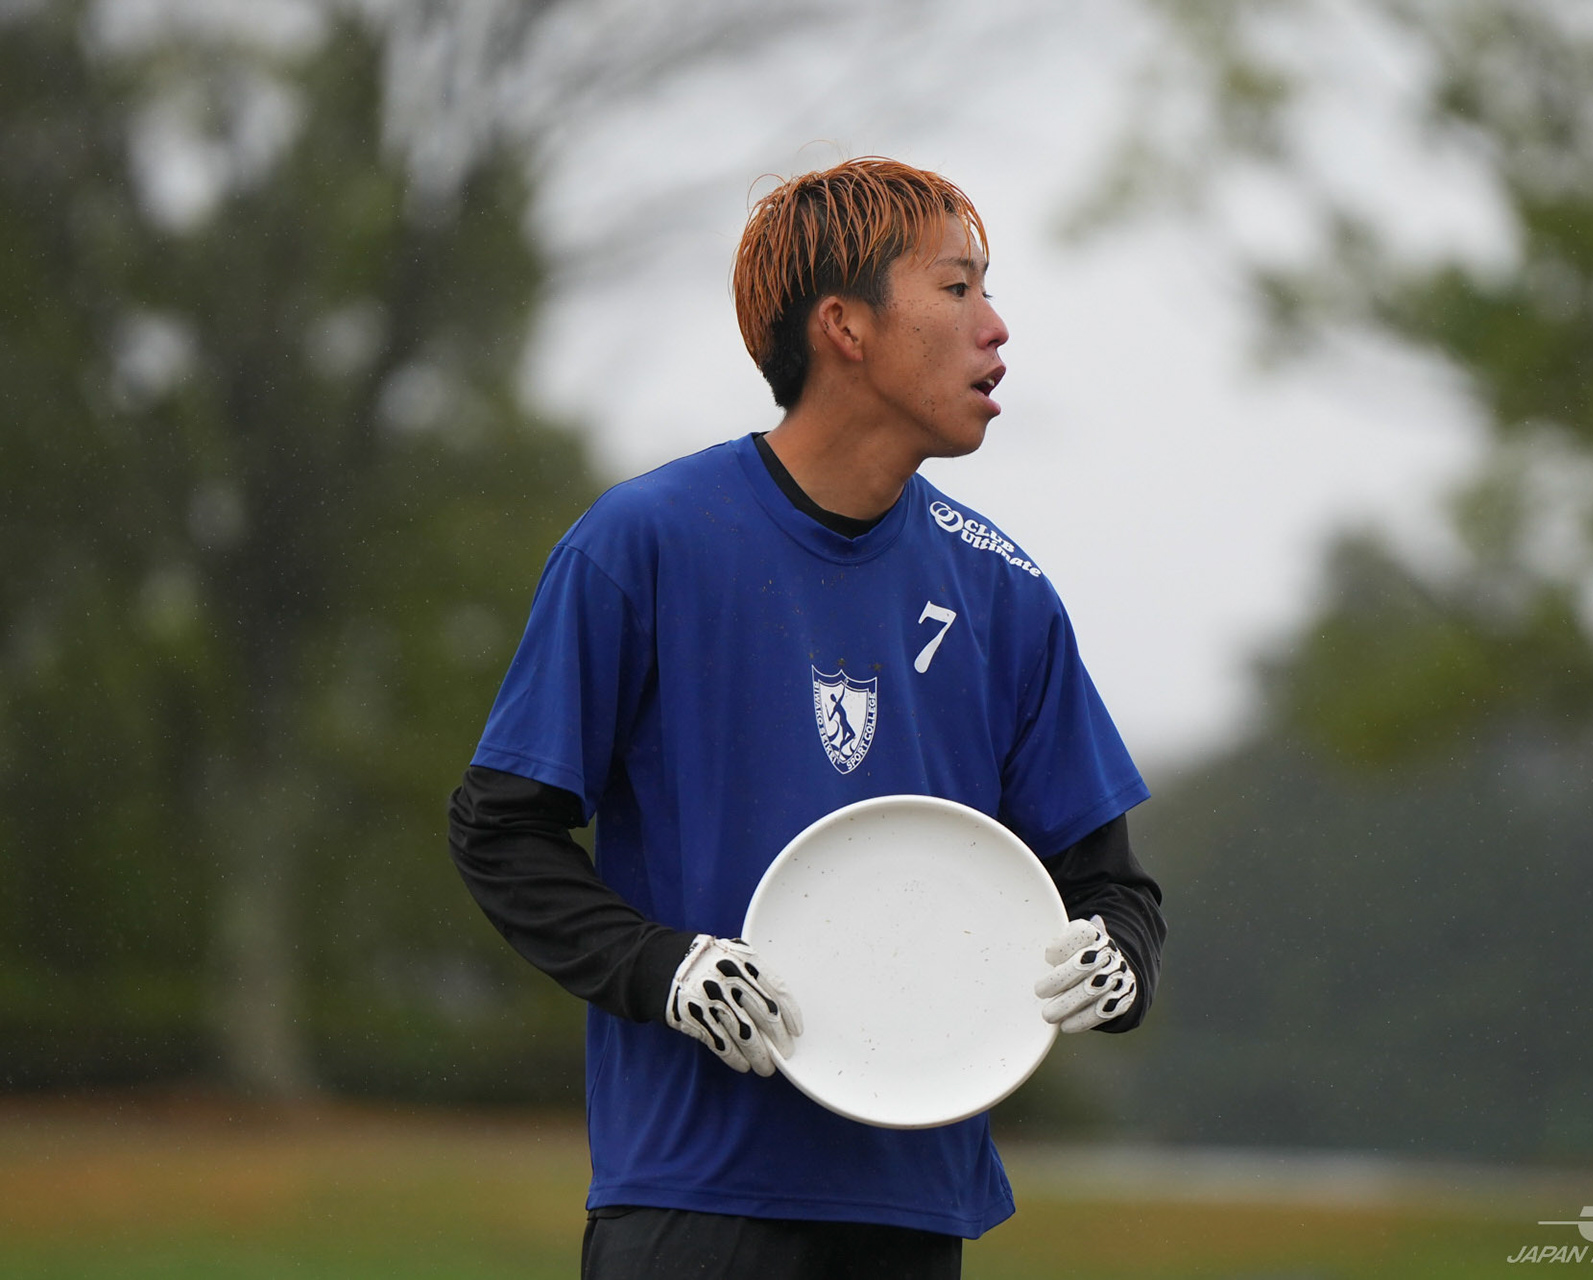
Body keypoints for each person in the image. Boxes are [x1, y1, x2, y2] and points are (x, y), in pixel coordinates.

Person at [447, 156, 1165, 1280]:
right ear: (844, 327)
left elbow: (1113, 889)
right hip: (689, 1200)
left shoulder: (1005, 591)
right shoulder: (643, 543)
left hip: (915, 1210)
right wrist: (664, 968)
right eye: (958, 288)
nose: (997, 327)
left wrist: (1117, 961)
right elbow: (501, 830)